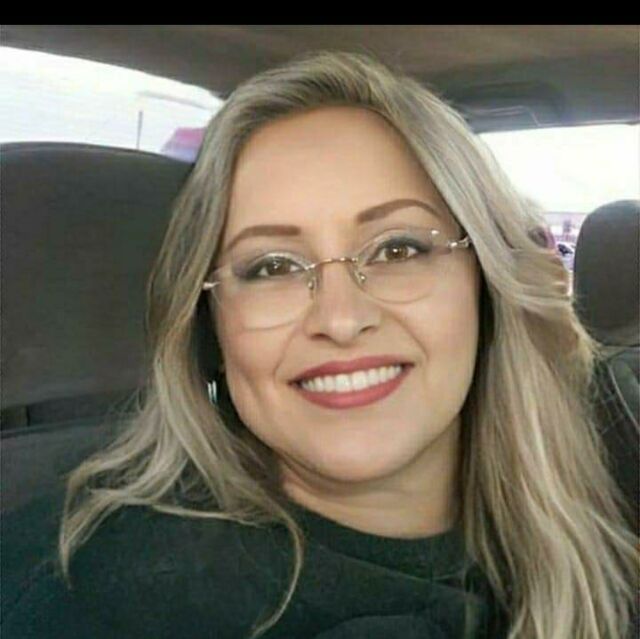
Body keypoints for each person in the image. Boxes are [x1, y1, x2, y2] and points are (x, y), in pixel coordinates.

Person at [2, 51, 638, 639]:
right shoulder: (97, 597)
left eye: (398, 249)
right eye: (272, 267)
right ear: (210, 329)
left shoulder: (602, 509)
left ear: (487, 288)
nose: (340, 318)